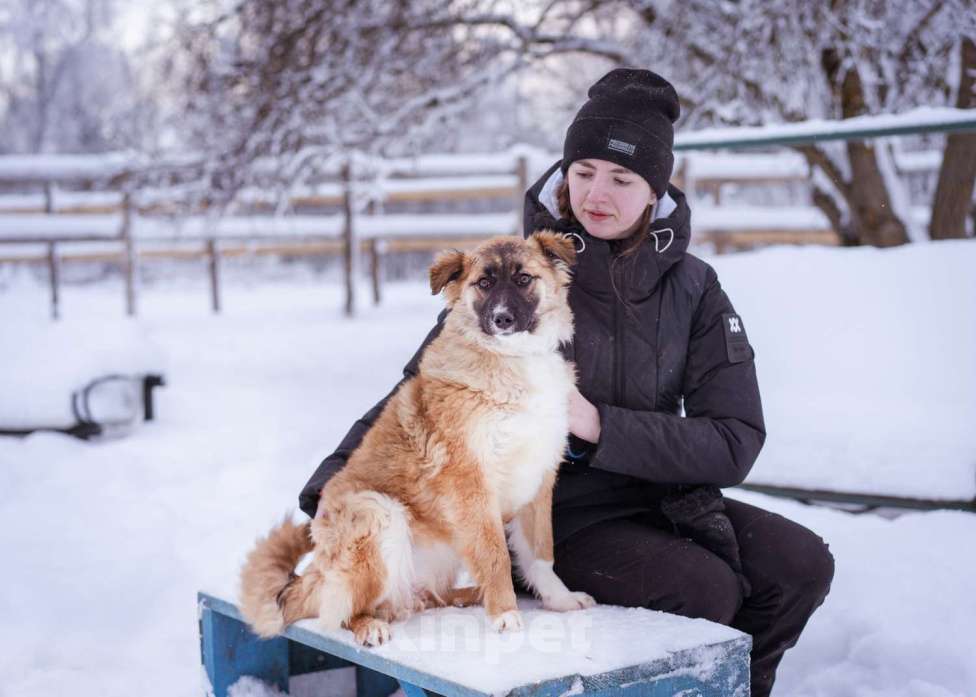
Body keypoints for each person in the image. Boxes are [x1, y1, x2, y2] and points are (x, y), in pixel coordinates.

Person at [300, 68, 834, 697]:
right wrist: (330, 491)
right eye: (583, 172)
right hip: (558, 514)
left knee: (799, 566)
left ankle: (737, 686)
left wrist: (600, 425)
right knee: (708, 590)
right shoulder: (518, 274)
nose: (596, 194)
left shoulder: (695, 289)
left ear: (656, 188)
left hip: (664, 497)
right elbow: (420, 395)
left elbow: (735, 440)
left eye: (621, 178)